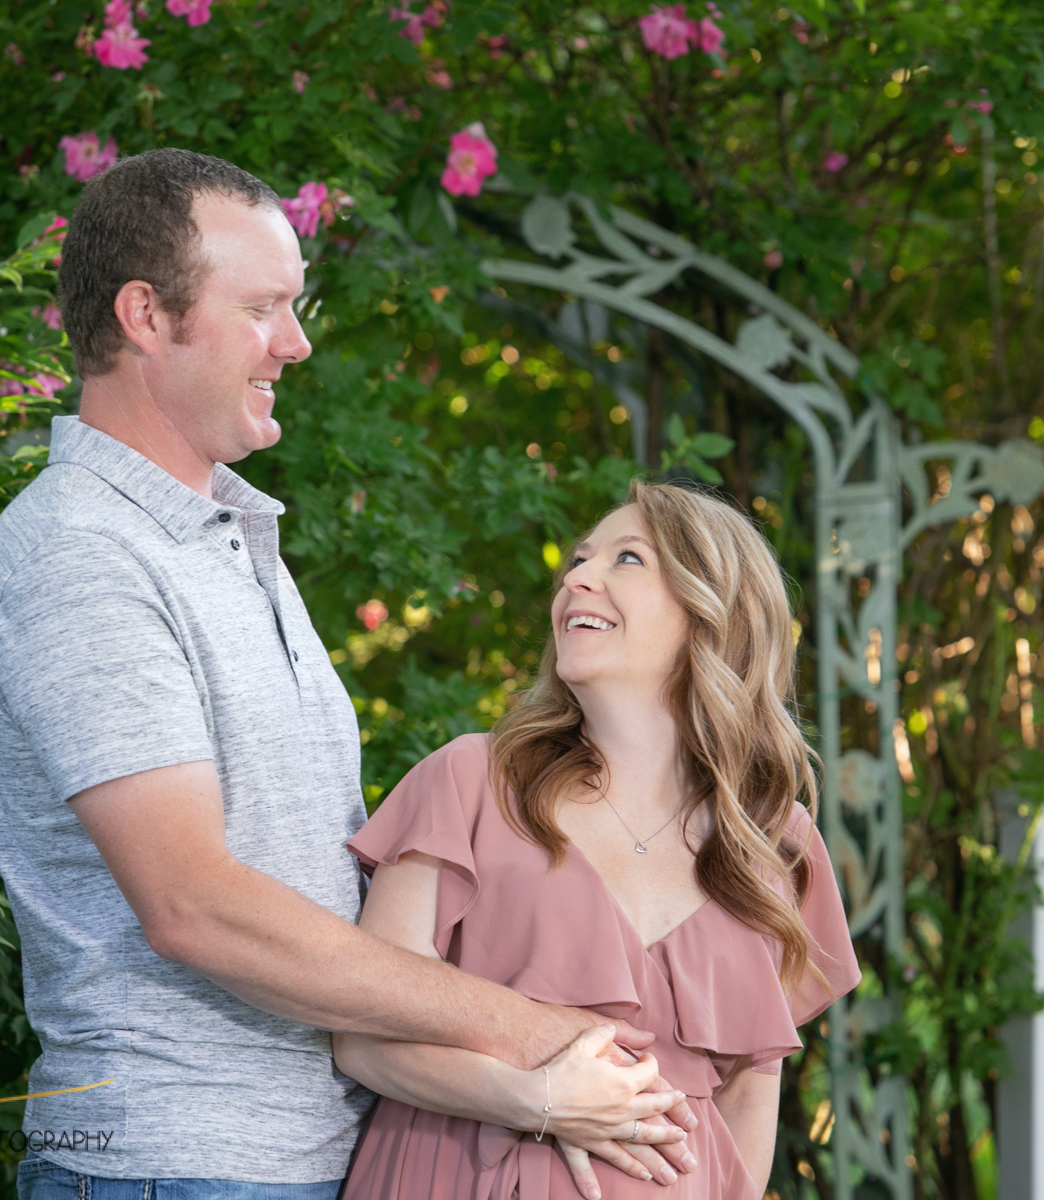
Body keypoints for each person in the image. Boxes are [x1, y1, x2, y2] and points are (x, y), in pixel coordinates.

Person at [0, 148, 693, 1200]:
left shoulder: (221, 537)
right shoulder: (80, 551)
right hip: (175, 1169)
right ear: (146, 315)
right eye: (262, 308)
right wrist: (534, 1031)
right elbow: (194, 905)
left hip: (305, 1164)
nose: (296, 342)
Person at [334, 480, 862, 1200]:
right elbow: (363, 1036)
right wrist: (535, 1100)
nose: (576, 578)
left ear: (712, 611)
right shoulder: (468, 782)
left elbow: (748, 1097)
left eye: (627, 559)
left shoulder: (774, 840)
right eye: (579, 561)